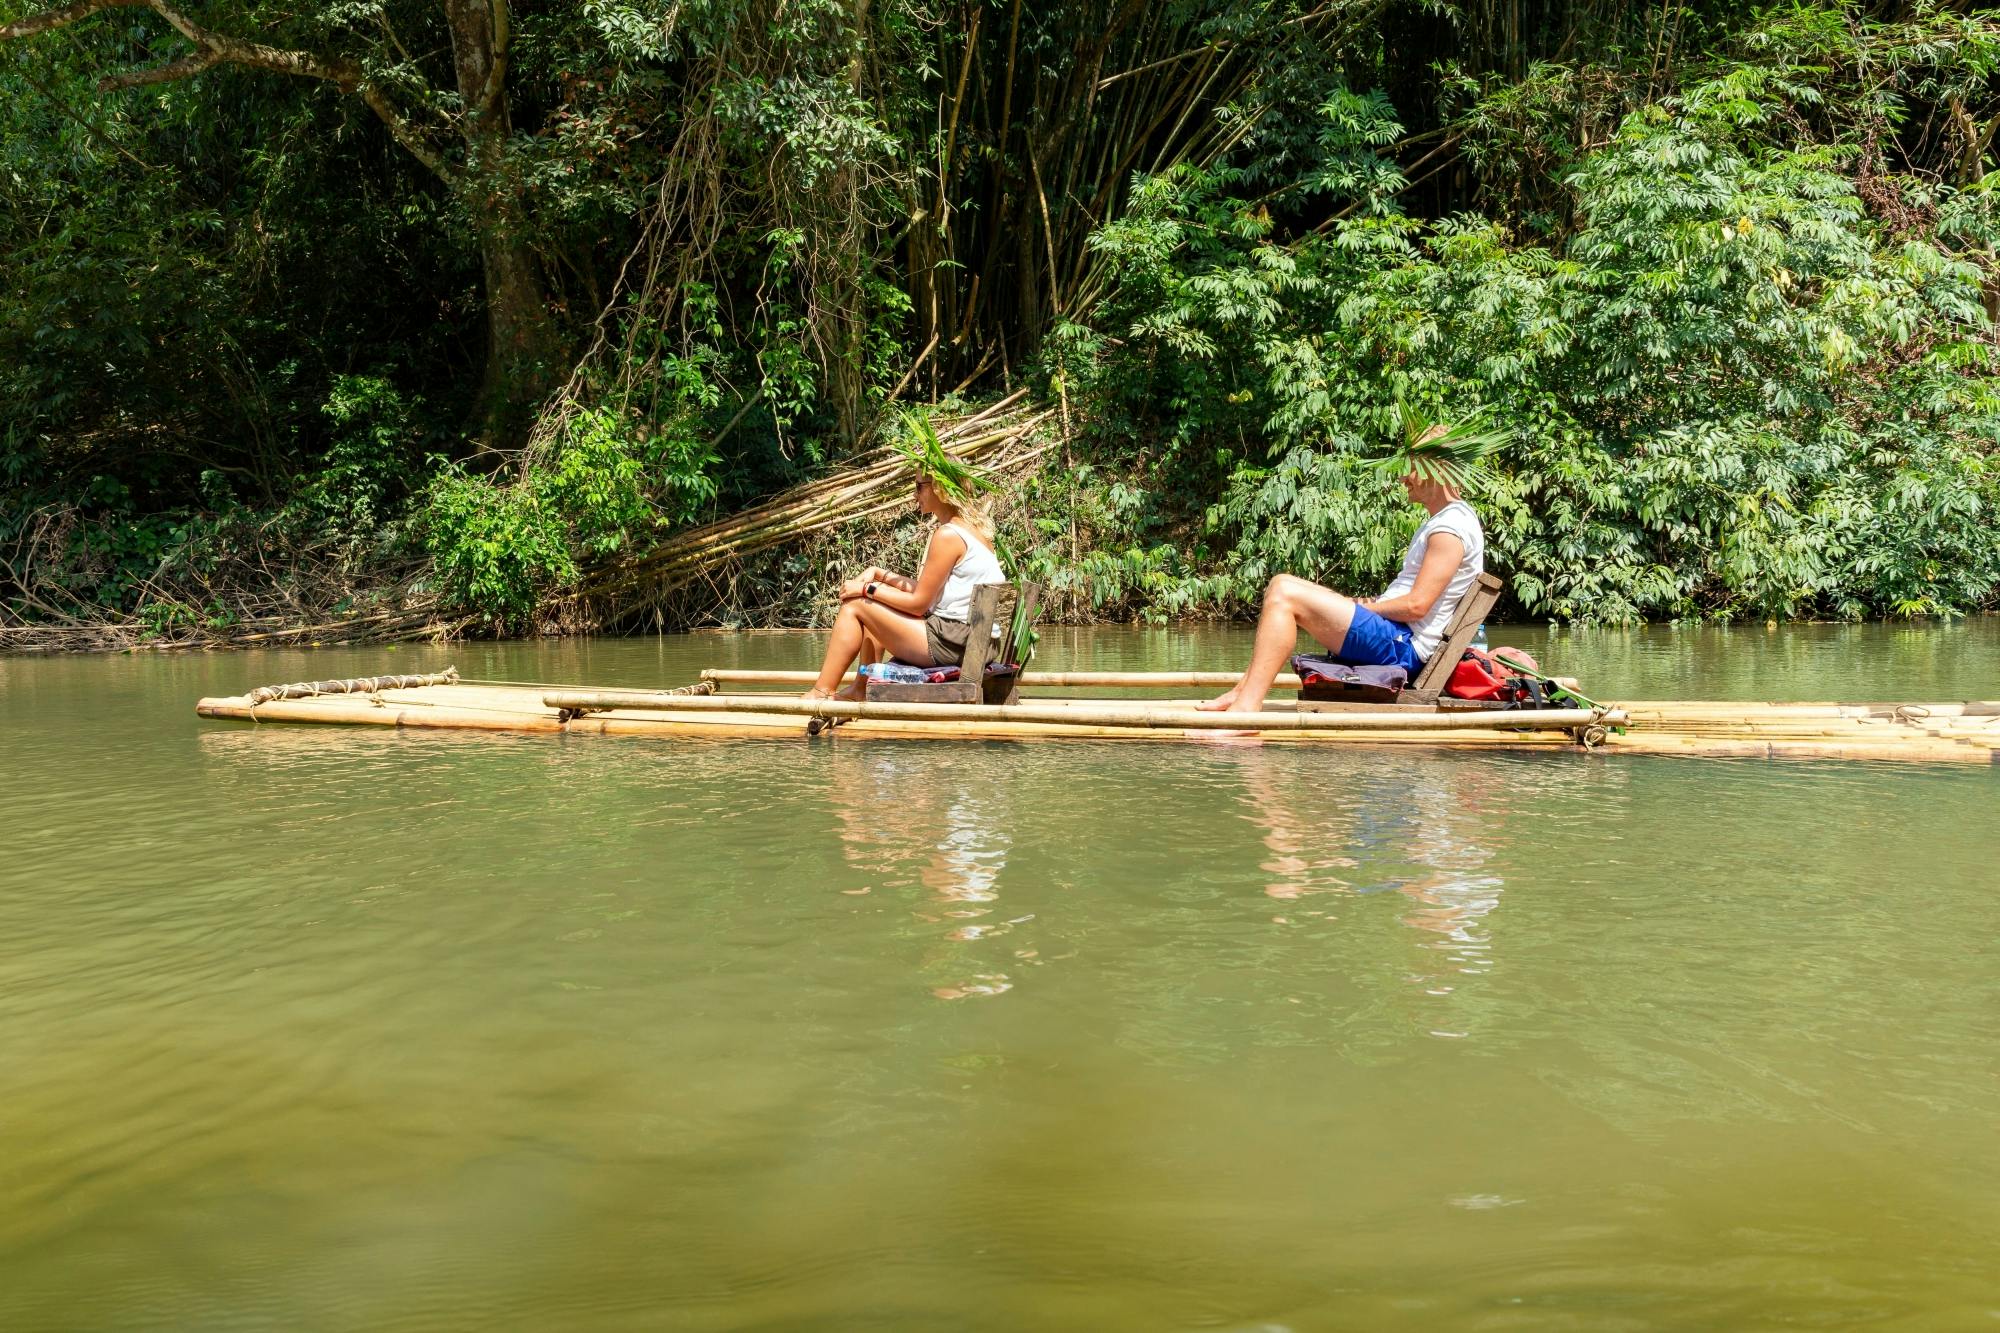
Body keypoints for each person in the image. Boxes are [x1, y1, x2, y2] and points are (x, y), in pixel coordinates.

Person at [1200, 422, 1490, 717]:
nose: (1404, 477)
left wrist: (1368, 608)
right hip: (1395, 634)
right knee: (1281, 583)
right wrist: (1364, 606)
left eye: (1411, 467)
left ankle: (1247, 707)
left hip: (1403, 646)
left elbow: (1417, 605)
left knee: (1285, 593)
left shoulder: (1449, 528)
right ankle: (1242, 692)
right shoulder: (1448, 520)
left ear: (1436, 470)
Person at [805, 420, 1004, 701]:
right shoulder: (976, 532)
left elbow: (920, 604)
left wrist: (865, 590)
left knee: (855, 608)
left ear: (939, 489)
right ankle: (860, 689)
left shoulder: (948, 535)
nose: (915, 495)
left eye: (919, 486)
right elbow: (929, 591)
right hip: (975, 641)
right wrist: (879, 575)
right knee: (876, 608)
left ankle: (821, 692)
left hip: (953, 643)